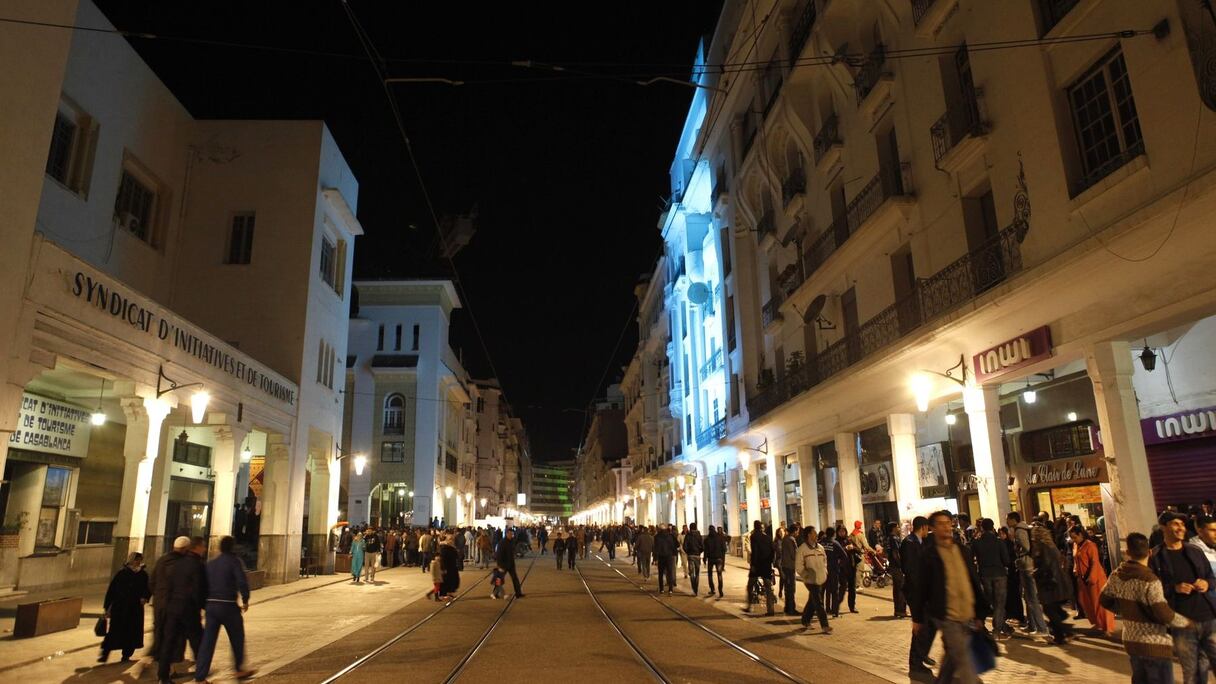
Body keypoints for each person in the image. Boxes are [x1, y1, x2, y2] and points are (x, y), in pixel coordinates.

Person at [1102, 533, 1193, 684]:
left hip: (1131, 640)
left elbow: (1104, 600)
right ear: (1150, 552)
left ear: (1127, 552)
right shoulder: (1150, 580)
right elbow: (1163, 614)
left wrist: (1125, 610)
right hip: (1154, 644)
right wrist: (1187, 623)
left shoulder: (1116, 575)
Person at [909, 511, 989, 684]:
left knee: (952, 660)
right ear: (932, 528)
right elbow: (920, 588)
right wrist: (917, 618)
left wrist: (980, 612)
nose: (946, 526)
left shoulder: (962, 550)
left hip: (967, 613)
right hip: (947, 615)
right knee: (963, 659)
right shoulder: (928, 555)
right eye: (941, 523)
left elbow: (973, 581)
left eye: (948, 522)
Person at [1149, 511, 1216, 683]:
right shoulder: (1155, 557)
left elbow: (1211, 577)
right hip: (1181, 622)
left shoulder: (1194, 551)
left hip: (1209, 618)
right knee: (1192, 671)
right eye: (1176, 524)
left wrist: (1207, 584)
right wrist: (1174, 588)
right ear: (1164, 527)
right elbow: (1151, 590)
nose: (1181, 528)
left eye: (1183, 525)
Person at [194, 536, 254, 682]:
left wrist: (204, 604)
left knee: (208, 642)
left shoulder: (211, 563)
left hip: (211, 606)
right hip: (228, 605)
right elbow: (241, 581)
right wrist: (245, 599)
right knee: (237, 638)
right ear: (232, 547)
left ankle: (200, 675)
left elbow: (203, 585)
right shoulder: (234, 561)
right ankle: (239, 669)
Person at [159, 537, 208, 684]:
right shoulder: (197, 565)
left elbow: (169, 585)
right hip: (189, 609)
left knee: (169, 642)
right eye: (203, 547)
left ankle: (163, 676)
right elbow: (199, 589)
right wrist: (203, 606)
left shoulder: (178, 563)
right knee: (198, 643)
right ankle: (201, 677)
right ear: (197, 547)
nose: (204, 549)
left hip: (173, 608)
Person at [1007, 511, 1051, 639]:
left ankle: (1042, 628)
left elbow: (1025, 547)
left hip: (1026, 565)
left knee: (1031, 598)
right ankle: (1032, 625)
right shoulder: (1023, 528)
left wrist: (1018, 552)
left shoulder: (1020, 530)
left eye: (1008, 519)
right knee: (1027, 597)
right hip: (1027, 565)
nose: (1007, 522)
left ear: (1013, 519)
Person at [100, 552, 151, 663]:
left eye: (139, 560)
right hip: (120, 607)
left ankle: (126, 655)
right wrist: (107, 607)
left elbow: (148, 588)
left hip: (135, 608)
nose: (137, 562)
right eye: (136, 559)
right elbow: (112, 590)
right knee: (114, 631)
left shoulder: (143, 575)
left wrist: (145, 597)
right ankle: (105, 653)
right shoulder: (122, 573)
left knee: (132, 632)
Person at [1031, 522, 1075, 645]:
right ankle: (1062, 633)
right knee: (1053, 608)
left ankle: (1064, 632)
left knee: (1049, 609)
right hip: (1056, 581)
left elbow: (1045, 565)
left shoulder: (1043, 548)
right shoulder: (1051, 546)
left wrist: (1035, 572)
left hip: (1049, 583)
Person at [1069, 526, 1115, 637]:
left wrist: (1091, 577)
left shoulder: (1090, 545)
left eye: (1075, 537)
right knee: (1087, 602)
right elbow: (1076, 559)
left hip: (1095, 578)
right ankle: (1098, 623)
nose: (1073, 540)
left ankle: (1107, 628)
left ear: (1081, 534)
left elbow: (1094, 562)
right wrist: (1075, 569)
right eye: (1072, 538)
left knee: (1100, 603)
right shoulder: (1076, 545)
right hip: (1082, 578)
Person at [972, 518, 1012, 640]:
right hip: (999, 573)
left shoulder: (977, 542)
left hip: (984, 575)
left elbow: (972, 558)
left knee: (990, 602)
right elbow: (1006, 560)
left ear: (982, 528)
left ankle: (997, 626)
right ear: (992, 527)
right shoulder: (999, 542)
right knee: (999, 603)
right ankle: (997, 630)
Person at [796, 527, 831, 634]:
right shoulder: (802, 549)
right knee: (818, 602)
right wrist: (805, 575)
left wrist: (825, 571)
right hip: (810, 580)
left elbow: (825, 561)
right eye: (814, 533)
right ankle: (825, 625)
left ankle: (805, 620)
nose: (816, 535)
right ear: (808, 535)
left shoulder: (820, 548)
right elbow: (798, 565)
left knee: (813, 600)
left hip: (821, 578)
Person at [747, 520, 775, 614]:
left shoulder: (754, 536)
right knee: (768, 587)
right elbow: (772, 551)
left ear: (755, 527)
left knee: (750, 585)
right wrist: (770, 562)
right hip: (766, 565)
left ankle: (750, 606)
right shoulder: (768, 537)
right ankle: (770, 609)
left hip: (757, 565)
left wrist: (753, 565)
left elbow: (755, 551)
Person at [883, 522, 907, 619]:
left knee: (897, 588)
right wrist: (901, 565)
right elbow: (895, 553)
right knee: (901, 588)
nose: (899, 528)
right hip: (896, 567)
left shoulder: (889, 538)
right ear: (893, 528)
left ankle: (898, 610)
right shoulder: (893, 538)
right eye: (897, 527)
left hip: (893, 566)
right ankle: (901, 610)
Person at [496, 528, 525, 598]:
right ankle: (495, 593)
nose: (511, 535)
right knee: (500, 579)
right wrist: (500, 565)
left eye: (512, 534)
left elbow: (512, 552)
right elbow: (498, 555)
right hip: (503, 565)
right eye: (510, 534)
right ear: (506, 534)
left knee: (515, 579)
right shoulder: (502, 542)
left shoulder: (511, 541)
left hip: (511, 564)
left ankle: (518, 593)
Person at [779, 522, 800, 615]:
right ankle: (791, 609)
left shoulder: (785, 539)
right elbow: (794, 554)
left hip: (785, 566)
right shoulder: (791, 540)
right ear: (794, 531)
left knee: (787, 588)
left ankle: (787, 608)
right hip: (790, 566)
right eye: (797, 531)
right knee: (791, 588)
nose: (798, 533)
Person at [837, 526, 859, 613]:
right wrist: (845, 549)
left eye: (844, 531)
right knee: (842, 588)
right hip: (842, 568)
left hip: (851, 567)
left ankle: (852, 606)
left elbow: (859, 549)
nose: (842, 533)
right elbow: (836, 553)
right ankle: (836, 606)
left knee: (852, 588)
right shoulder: (836, 541)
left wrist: (853, 547)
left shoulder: (849, 540)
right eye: (840, 531)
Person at [654, 524, 678, 595]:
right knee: (670, 573)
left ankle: (661, 589)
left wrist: (655, 558)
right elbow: (677, 545)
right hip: (670, 557)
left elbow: (655, 548)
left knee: (661, 573)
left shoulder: (657, 537)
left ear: (660, 529)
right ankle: (670, 589)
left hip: (661, 557)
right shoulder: (671, 536)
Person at [703, 525, 726, 598]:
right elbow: (724, 549)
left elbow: (705, 551)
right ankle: (720, 590)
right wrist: (722, 557)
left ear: (709, 530)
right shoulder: (720, 538)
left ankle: (712, 589)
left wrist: (704, 558)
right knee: (719, 574)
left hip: (711, 559)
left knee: (710, 574)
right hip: (719, 559)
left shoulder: (707, 539)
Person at [683, 522, 704, 596]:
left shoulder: (688, 535)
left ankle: (694, 589)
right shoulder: (699, 535)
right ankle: (696, 589)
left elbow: (684, 546)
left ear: (690, 527)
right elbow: (702, 546)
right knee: (697, 573)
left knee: (691, 573)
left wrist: (688, 552)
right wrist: (699, 552)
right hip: (697, 556)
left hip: (690, 556)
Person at [439, 533, 462, 599]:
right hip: (446, 567)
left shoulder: (452, 548)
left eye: (452, 539)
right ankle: (443, 594)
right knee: (445, 580)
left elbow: (456, 556)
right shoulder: (444, 548)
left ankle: (449, 592)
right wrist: (443, 568)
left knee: (453, 580)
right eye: (450, 539)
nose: (451, 541)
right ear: (447, 540)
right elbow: (442, 559)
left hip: (452, 567)